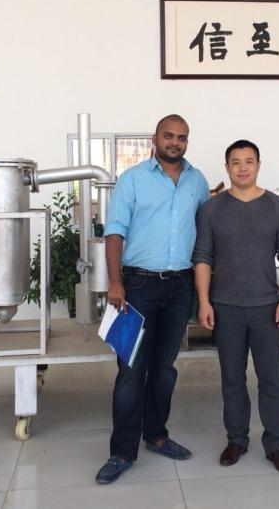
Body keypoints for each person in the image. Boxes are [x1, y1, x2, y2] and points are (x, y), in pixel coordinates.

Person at [95, 114, 210, 485]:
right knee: (131, 371)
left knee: (164, 368)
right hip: (137, 287)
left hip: (180, 287)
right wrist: (115, 283)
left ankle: (157, 435)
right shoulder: (132, 180)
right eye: (168, 136)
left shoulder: (197, 181)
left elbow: (205, 234)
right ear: (155, 138)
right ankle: (121, 452)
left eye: (182, 137)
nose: (175, 142)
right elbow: (114, 233)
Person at [192, 139, 279, 475]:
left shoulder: (277, 207)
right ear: (227, 167)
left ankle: (275, 443)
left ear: (258, 165)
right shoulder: (211, 210)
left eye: (248, 161)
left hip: (267, 307)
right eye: (235, 162)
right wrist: (204, 301)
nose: (242, 168)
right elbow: (203, 257)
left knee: (271, 379)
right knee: (232, 379)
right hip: (226, 308)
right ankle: (236, 439)